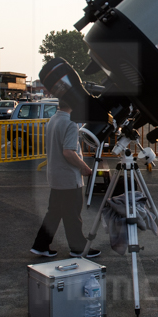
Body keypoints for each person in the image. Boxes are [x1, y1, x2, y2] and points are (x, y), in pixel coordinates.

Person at [30, 98, 101, 258]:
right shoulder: (70, 123)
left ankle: (41, 245)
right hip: (68, 177)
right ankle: (78, 248)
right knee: (73, 214)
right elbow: (68, 152)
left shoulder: (53, 119)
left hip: (55, 175)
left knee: (54, 213)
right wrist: (84, 167)